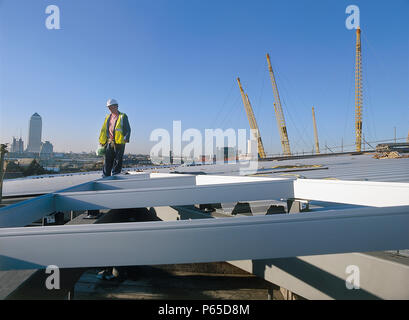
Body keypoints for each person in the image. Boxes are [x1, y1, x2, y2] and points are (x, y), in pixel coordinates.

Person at [99, 98, 131, 177]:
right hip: (109, 142)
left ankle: (115, 175)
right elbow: (103, 130)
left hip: (119, 142)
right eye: (109, 107)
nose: (110, 109)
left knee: (117, 160)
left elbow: (128, 129)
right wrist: (102, 141)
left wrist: (125, 138)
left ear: (116, 106)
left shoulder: (122, 116)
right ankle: (105, 176)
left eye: (111, 107)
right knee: (107, 160)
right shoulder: (107, 117)